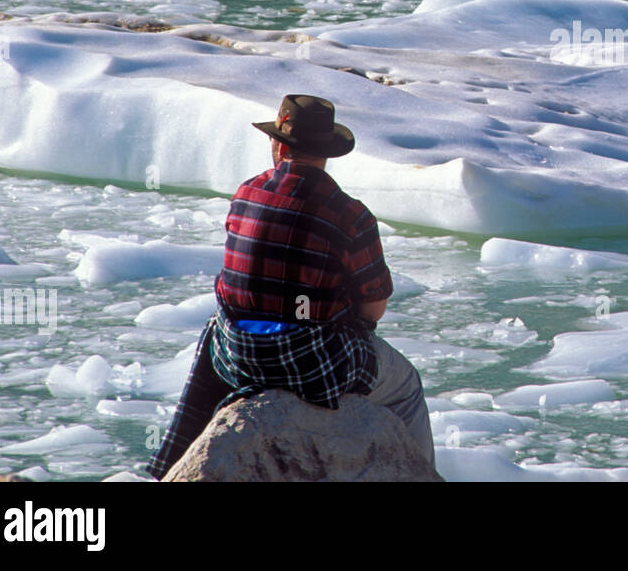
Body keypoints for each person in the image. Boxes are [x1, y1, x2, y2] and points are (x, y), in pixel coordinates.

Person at [147, 94, 433, 479]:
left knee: (218, 323)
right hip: (310, 365)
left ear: (280, 145)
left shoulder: (246, 194)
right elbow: (374, 308)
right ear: (327, 152)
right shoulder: (350, 214)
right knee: (407, 387)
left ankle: (171, 460)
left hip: (235, 357)